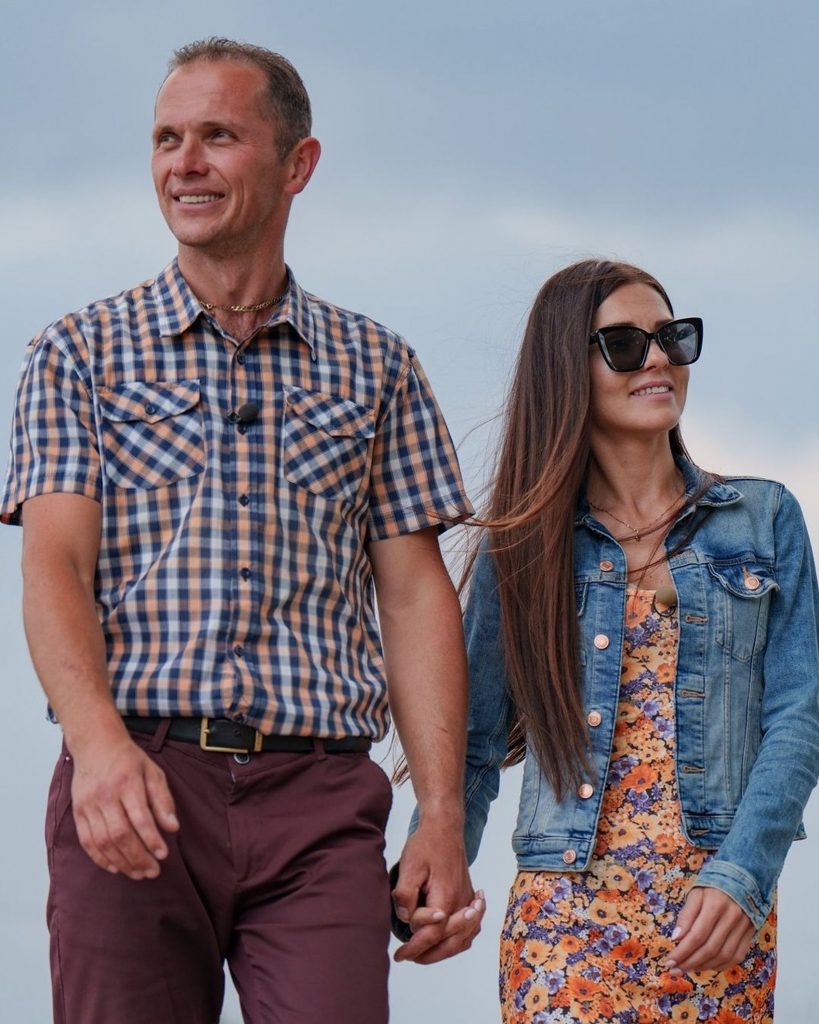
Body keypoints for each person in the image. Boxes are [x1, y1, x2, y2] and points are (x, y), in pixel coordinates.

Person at [1, 37, 484, 1024]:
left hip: (320, 796)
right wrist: (97, 747)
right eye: (166, 139)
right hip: (136, 775)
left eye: (218, 136)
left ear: (297, 163)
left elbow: (414, 596)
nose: (184, 163)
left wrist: (440, 816)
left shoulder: (378, 365)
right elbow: (53, 564)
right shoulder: (76, 353)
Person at [461, 259, 819, 1022]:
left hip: (715, 923)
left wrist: (744, 876)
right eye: (624, 344)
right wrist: (436, 876)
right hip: (562, 930)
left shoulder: (764, 520)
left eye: (671, 337)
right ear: (567, 369)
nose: (657, 358)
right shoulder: (522, 545)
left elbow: (798, 717)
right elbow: (471, 740)